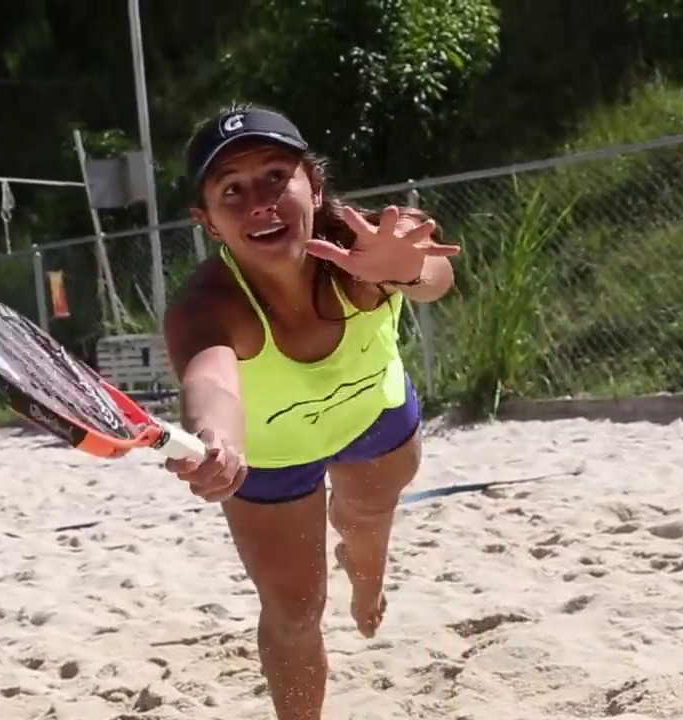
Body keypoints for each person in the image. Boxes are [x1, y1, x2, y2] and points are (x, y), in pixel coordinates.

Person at [161, 103, 459, 720]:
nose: (259, 203)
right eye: (232, 190)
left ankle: (366, 581)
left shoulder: (368, 243)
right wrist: (215, 439)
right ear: (208, 222)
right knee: (294, 613)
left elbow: (433, 274)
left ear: (314, 186)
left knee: (365, 523)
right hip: (270, 456)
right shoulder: (206, 306)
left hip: (373, 421)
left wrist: (409, 270)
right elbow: (211, 379)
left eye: (276, 176)